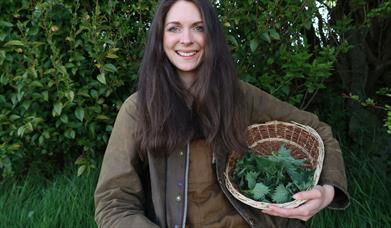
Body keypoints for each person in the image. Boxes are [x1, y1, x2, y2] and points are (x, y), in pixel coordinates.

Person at [94, 0, 350, 227]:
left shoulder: (241, 97)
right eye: (174, 28)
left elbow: (319, 131)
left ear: (212, 36)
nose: (186, 39)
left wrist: (327, 191)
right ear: (160, 39)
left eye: (199, 27)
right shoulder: (137, 111)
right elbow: (113, 203)